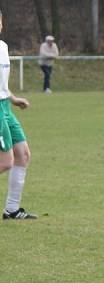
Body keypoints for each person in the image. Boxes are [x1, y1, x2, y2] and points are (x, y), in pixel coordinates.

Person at [0, 10, 35, 220]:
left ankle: (11, 210)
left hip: (5, 106)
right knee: (6, 162)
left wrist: (13, 98)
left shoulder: (3, 48)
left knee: (23, 155)